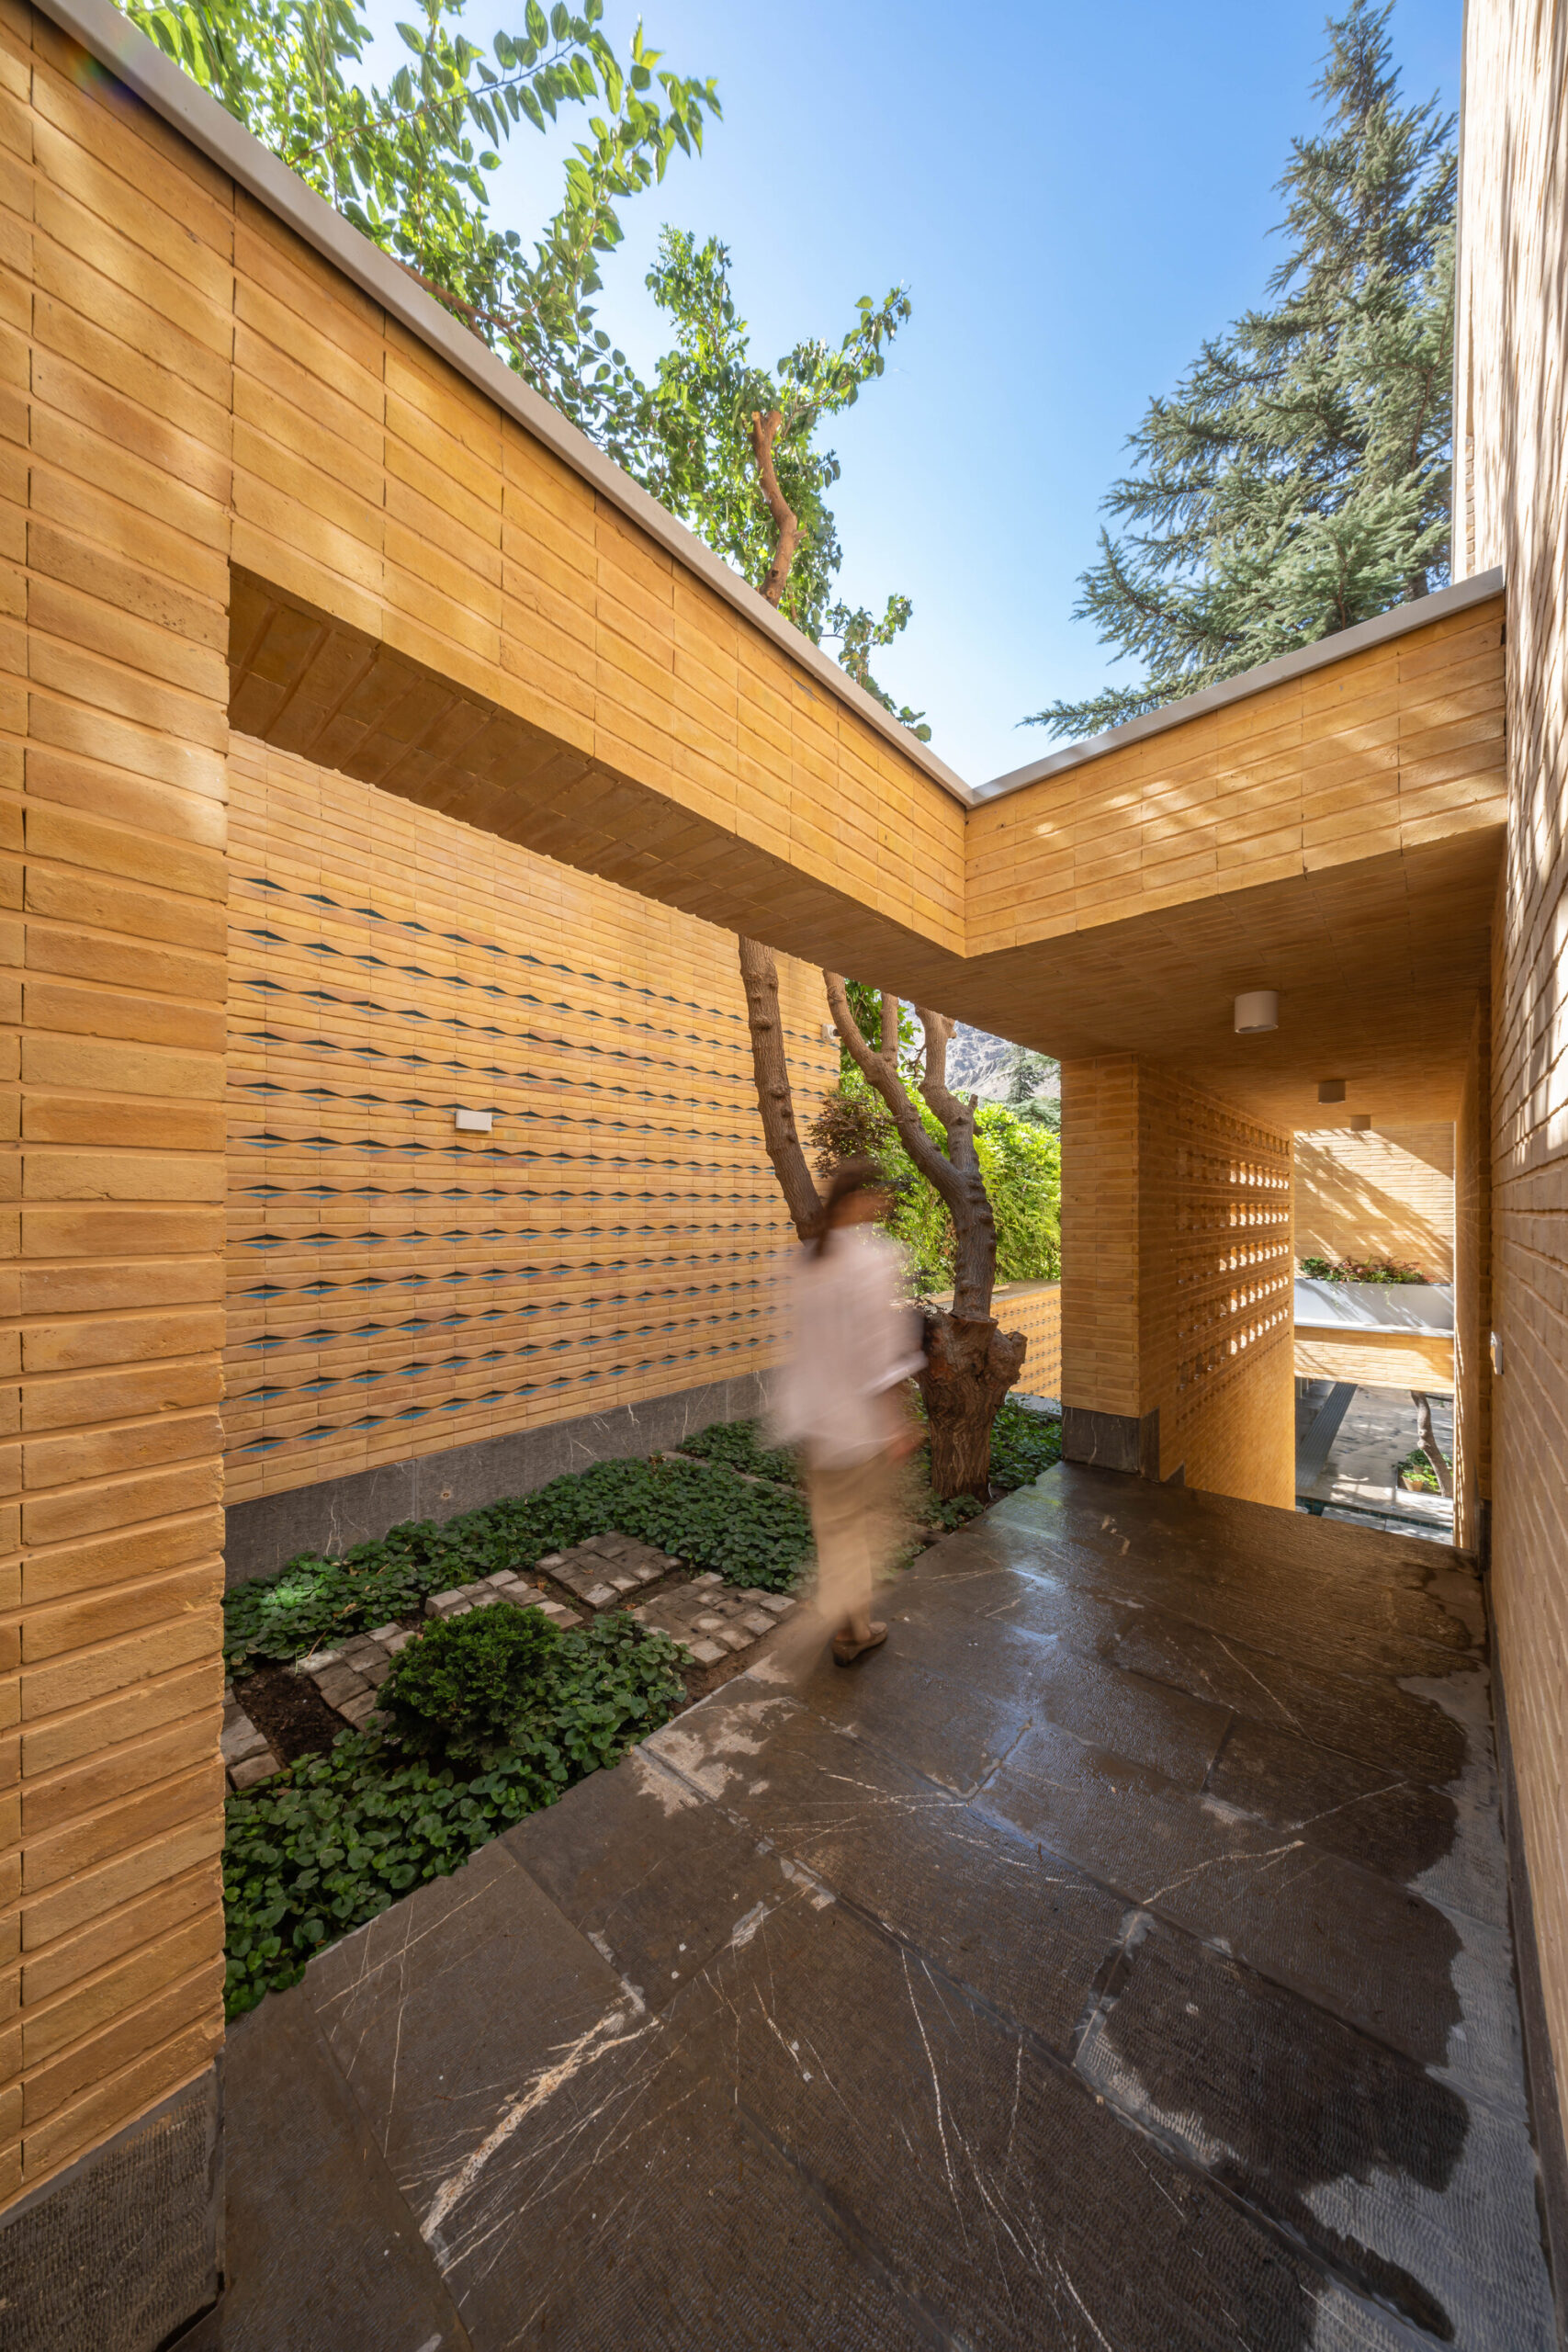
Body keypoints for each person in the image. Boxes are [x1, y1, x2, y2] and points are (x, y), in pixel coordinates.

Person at [771, 1159, 925, 1664]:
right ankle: (841, 1625)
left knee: (838, 1528)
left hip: (816, 1422)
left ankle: (851, 1626)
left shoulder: (810, 1258)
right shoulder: (873, 1258)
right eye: (879, 1195)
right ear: (862, 1199)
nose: (883, 1204)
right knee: (862, 1529)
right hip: (857, 1427)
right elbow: (877, 1354)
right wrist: (897, 1424)